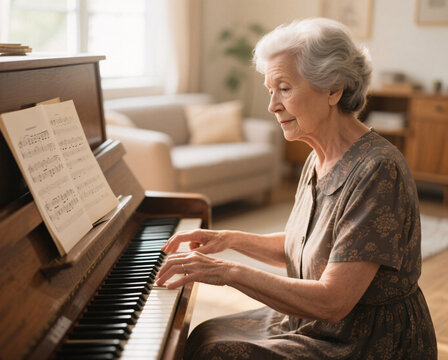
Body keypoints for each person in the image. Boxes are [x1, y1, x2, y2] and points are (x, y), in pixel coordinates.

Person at [155, 17, 437, 359]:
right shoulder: (318, 156)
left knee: (217, 353)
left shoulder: (378, 169)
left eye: (284, 89)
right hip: (315, 323)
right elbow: (303, 246)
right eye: (270, 91)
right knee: (205, 335)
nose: (272, 106)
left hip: (364, 340)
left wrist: (227, 271)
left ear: (334, 89)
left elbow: (334, 300)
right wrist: (229, 240)